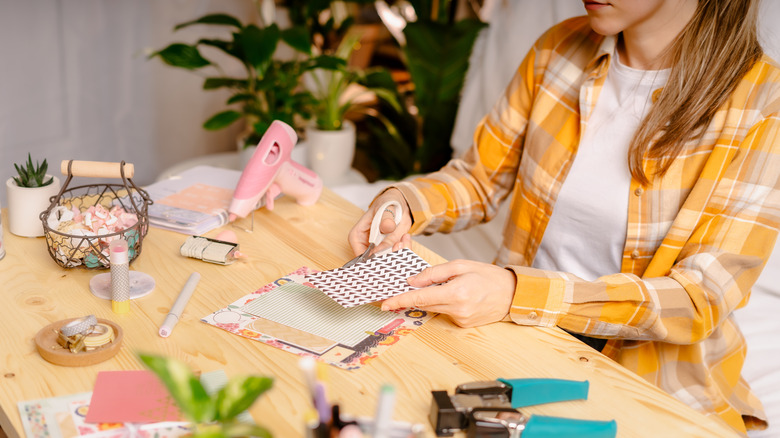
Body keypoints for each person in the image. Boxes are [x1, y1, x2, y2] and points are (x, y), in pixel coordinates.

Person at [348, 0, 779, 434]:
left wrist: (518, 292)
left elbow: (700, 297)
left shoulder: (764, 103)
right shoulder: (559, 47)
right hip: (514, 330)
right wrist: (406, 202)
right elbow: (480, 179)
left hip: (651, 380)